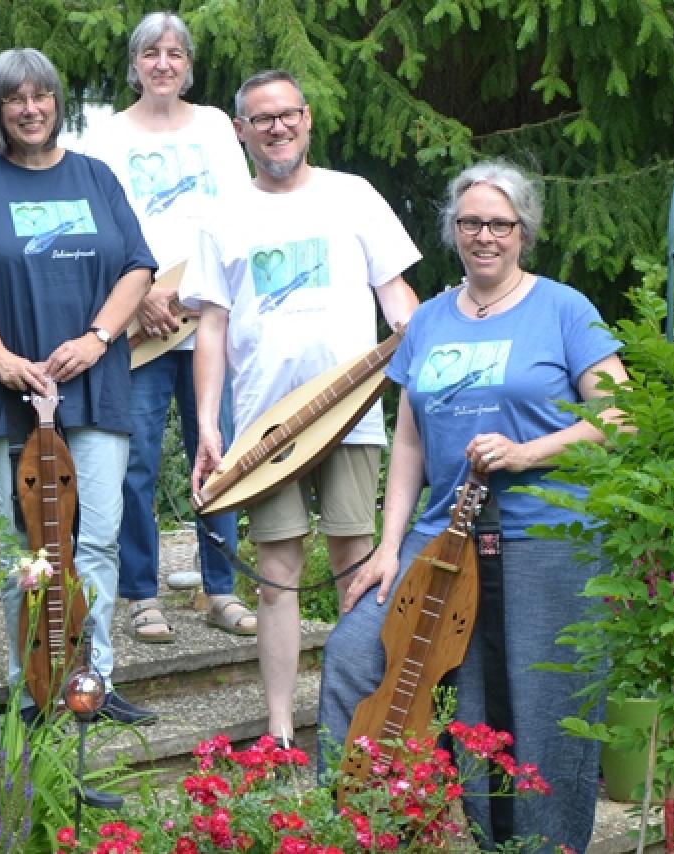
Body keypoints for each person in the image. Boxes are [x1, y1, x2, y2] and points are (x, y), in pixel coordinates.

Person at [319, 160, 629, 851]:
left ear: (523, 231)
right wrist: (389, 545)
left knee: (537, 707)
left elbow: (621, 417)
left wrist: (526, 453)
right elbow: (408, 442)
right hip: (441, 539)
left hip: (544, 535)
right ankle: (358, 830)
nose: (484, 236)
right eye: (470, 223)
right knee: (355, 656)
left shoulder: (563, 309)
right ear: (453, 230)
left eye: (499, 224)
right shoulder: (428, 320)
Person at [0, 48, 158, 727]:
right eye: (14, 99)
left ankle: (93, 682)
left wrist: (98, 338)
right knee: (23, 551)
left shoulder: (95, 177)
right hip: (9, 394)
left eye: (41, 95)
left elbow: (138, 268)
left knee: (97, 541)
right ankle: (33, 688)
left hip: (94, 388)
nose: (30, 109)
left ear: (57, 102)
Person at [187, 70, 421, 743]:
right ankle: (282, 731)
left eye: (288, 114)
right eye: (262, 119)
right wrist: (208, 426)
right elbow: (211, 327)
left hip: (351, 414)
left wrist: (418, 353)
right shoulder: (223, 214)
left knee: (356, 566)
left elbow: (396, 296)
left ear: (308, 118)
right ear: (241, 130)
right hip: (268, 428)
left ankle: (354, 727)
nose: (278, 127)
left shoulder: (353, 196)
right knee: (276, 577)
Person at [84, 12, 256, 644]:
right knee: (137, 463)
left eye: (175, 53)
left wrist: (202, 293)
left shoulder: (214, 127)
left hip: (210, 318)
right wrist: (137, 300)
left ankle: (221, 588)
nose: (163, 63)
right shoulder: (105, 136)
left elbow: (239, 215)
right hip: (141, 325)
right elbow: (98, 228)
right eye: (151, 53)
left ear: (188, 65)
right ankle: (141, 593)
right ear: (135, 63)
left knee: (220, 454)